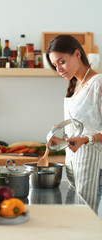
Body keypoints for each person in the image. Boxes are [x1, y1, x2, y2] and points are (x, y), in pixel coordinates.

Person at [46, 34, 102, 212]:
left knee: (85, 225)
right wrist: (61, 136)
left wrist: (86, 139)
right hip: (74, 165)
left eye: (62, 62)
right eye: (55, 65)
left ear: (77, 54)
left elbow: (88, 133)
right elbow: (82, 125)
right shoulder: (75, 86)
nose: (59, 69)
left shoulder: (98, 84)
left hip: (94, 167)